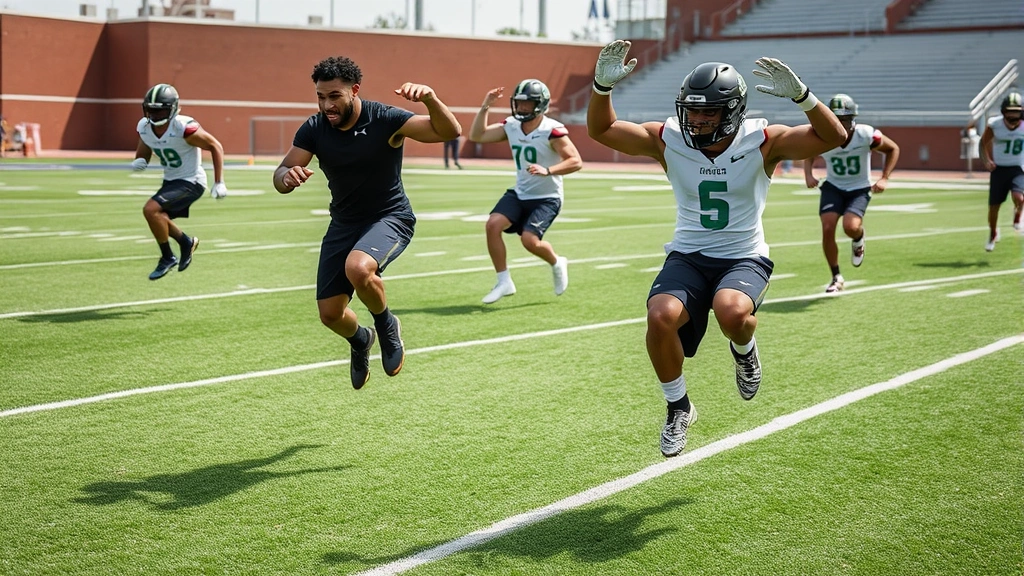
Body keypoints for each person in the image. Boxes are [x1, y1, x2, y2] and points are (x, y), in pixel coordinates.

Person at [587, 40, 846, 458]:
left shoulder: (762, 141)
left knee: (732, 313)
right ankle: (678, 406)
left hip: (743, 255)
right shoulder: (668, 139)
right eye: (692, 110)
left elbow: (834, 137)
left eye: (709, 111)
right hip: (689, 253)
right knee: (659, 316)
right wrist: (601, 87)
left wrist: (804, 97)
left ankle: (744, 351)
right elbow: (601, 130)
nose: (699, 119)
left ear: (733, 110)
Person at [272, 56, 461, 390]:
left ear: (354, 91)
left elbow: (449, 131)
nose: (326, 104)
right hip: (343, 223)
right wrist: (287, 177)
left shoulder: (384, 118)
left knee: (358, 269)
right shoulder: (314, 128)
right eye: (320, 96)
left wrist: (430, 99)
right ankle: (361, 340)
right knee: (330, 315)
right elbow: (281, 171)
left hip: (390, 217)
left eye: (334, 96)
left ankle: (387, 325)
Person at [468, 79, 582, 304]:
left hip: (547, 197)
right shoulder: (511, 125)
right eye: (519, 103)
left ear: (540, 105)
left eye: (527, 104)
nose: (521, 108)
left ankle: (557, 262)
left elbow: (575, 161)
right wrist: (485, 106)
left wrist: (548, 170)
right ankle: (504, 281)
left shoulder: (551, 130)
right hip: (521, 192)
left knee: (530, 241)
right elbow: (477, 135)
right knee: (493, 224)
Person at [803, 94, 900, 293]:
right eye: (836, 119)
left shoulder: (866, 134)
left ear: (852, 118)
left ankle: (858, 237)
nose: (841, 124)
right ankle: (836, 276)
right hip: (833, 186)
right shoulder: (822, 136)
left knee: (851, 227)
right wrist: (808, 175)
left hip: (859, 188)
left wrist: (884, 177)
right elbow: (808, 154)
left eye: (845, 120)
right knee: (828, 227)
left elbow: (893, 149)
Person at [132, 83, 227, 281]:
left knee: (150, 210)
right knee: (158, 216)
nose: (156, 116)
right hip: (171, 181)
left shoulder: (184, 128)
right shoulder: (145, 128)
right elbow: (144, 151)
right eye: (152, 111)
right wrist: (141, 161)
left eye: (161, 111)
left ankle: (167, 256)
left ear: (172, 109)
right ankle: (185, 243)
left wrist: (219, 181)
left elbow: (215, 146)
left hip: (191, 181)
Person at [979, 90, 1024, 251]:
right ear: (1003, 111)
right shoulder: (995, 125)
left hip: (1018, 169)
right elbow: (982, 143)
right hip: (999, 170)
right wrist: (986, 161)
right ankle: (992, 233)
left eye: (1016, 112)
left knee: (1019, 197)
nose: (1013, 116)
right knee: (994, 207)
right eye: (1010, 112)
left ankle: (1018, 216)